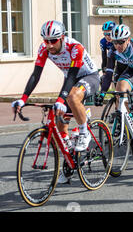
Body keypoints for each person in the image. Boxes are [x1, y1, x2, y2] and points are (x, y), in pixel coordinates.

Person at [12, 20, 100, 152]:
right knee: (59, 121)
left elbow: (72, 75)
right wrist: (23, 99)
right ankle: (69, 155)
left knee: (72, 97)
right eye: (46, 40)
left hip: (88, 76)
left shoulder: (75, 48)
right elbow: (36, 74)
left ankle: (84, 132)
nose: (49, 45)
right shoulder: (43, 49)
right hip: (69, 79)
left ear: (62, 38)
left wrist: (60, 99)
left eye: (53, 40)